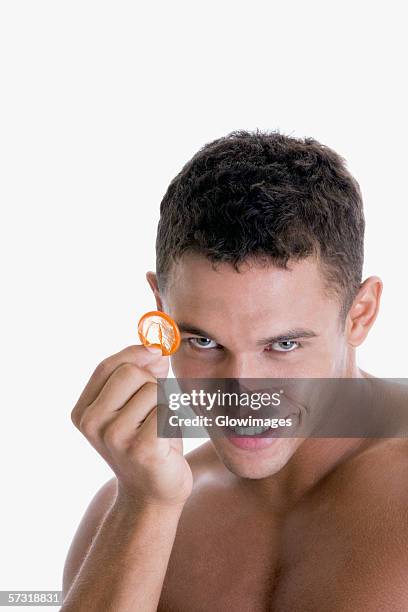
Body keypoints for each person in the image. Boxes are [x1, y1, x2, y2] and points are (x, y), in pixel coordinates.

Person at [60, 130, 407, 612]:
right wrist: (147, 507)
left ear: (360, 314)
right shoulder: (132, 511)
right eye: (204, 341)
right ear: (160, 310)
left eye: (283, 345)